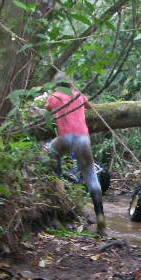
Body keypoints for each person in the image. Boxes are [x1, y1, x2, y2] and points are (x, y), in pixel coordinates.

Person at [44, 74, 106, 235]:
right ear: (71, 84)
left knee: (51, 149)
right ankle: (100, 217)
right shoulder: (78, 95)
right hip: (84, 140)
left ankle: (59, 183)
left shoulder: (55, 96)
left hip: (66, 138)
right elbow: (91, 107)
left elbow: (47, 111)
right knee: (91, 176)